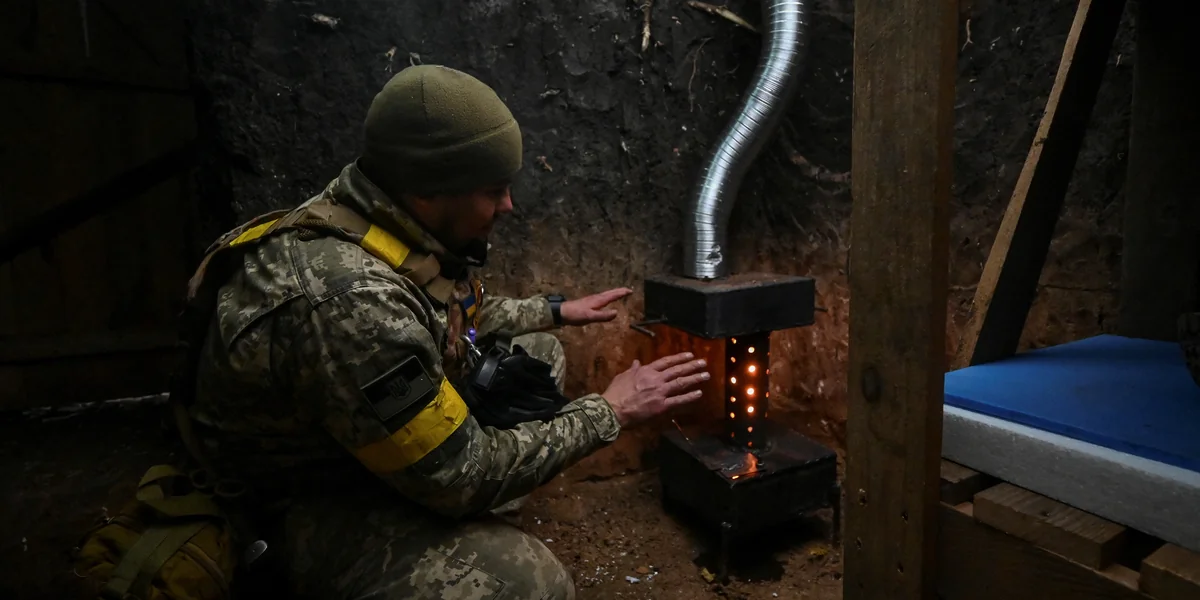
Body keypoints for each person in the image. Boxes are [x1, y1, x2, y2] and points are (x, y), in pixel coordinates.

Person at [178, 64, 710, 599]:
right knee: (528, 581)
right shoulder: (351, 302)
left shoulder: (374, 213)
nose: (508, 206)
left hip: (353, 443)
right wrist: (611, 411)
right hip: (297, 501)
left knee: (537, 350)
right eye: (494, 191)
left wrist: (555, 310)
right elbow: (462, 475)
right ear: (428, 192)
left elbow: (445, 310)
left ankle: (470, 523)